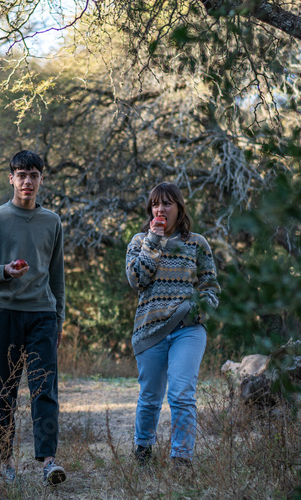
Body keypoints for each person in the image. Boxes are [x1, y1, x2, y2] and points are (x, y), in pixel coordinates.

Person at [0, 150, 67, 486]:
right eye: (21, 174)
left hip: (42, 315)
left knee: (45, 389)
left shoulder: (52, 221)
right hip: (2, 314)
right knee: (2, 391)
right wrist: (4, 271)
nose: (27, 181)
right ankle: (4, 462)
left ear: (42, 179)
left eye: (34, 175)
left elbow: (58, 277)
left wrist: (59, 318)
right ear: (10, 178)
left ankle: (49, 462)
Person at [126, 182, 220, 467]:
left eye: (167, 203)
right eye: (155, 204)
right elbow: (136, 280)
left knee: (181, 393)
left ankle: (181, 458)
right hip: (149, 329)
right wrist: (153, 243)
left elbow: (210, 285)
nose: (160, 209)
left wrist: (200, 307)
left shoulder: (197, 243)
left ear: (179, 208)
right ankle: (142, 450)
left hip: (188, 329)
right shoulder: (139, 241)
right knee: (150, 397)